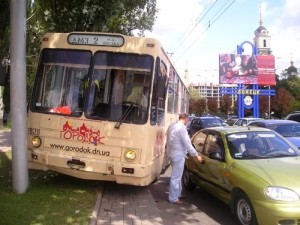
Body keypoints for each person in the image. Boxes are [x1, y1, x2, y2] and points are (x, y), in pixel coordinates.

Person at [166, 113, 204, 204]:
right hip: (178, 155)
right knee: (176, 178)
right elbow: (188, 144)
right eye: (188, 120)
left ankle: (177, 194)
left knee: (178, 176)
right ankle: (173, 198)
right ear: (186, 119)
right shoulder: (182, 129)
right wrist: (196, 155)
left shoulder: (172, 127)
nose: (188, 121)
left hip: (171, 154)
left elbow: (168, 140)